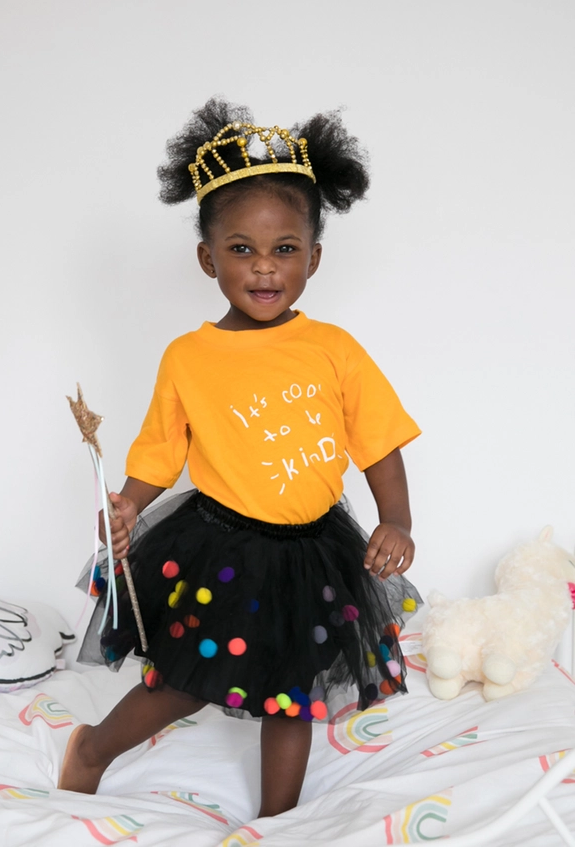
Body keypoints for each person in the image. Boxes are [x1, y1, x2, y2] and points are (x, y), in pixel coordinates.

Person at [60, 98, 422, 817]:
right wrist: (126, 506)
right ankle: (94, 748)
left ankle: (277, 822)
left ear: (313, 257)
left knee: (293, 693)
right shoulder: (190, 357)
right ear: (207, 256)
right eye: (241, 249)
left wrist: (398, 520)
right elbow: (161, 453)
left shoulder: (335, 349)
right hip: (222, 549)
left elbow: (378, 442)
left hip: (314, 552)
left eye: (285, 249)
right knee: (189, 677)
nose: (264, 269)